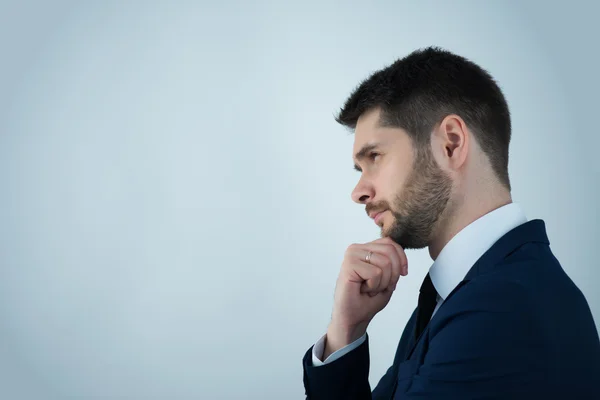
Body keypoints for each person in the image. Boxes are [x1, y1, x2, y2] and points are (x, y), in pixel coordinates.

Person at [301, 47, 600, 399]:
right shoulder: (469, 293)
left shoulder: (499, 309)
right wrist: (345, 330)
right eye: (360, 168)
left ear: (451, 143)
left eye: (375, 157)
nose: (358, 192)